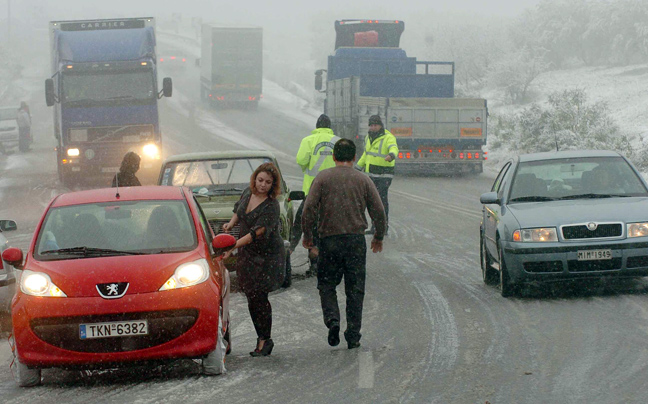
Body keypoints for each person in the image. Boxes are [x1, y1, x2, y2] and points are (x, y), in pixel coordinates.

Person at [302, 138, 386, 350]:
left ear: (333, 157)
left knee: (327, 285)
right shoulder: (363, 180)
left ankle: (333, 320)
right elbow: (378, 210)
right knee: (355, 290)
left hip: (329, 240)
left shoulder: (322, 178)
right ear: (355, 157)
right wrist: (379, 236)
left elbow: (309, 209)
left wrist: (308, 236)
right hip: (355, 240)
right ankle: (353, 335)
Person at [223, 162, 285, 356]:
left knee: (260, 297)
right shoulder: (247, 193)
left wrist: (232, 246)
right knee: (251, 296)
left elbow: (255, 233)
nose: (262, 185)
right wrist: (230, 224)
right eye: (260, 180)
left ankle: (265, 339)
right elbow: (238, 210)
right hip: (247, 255)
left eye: (267, 182)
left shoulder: (271, 206)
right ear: (254, 179)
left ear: (273, 185)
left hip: (266, 256)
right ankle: (261, 337)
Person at [290, 114, 340, 274]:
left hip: (312, 193)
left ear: (317, 126)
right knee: (330, 228)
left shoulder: (308, 141)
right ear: (330, 126)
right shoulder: (337, 141)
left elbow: (301, 160)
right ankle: (331, 262)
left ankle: (302, 257)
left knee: (303, 224)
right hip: (333, 193)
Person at [356, 115, 398, 235]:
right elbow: (366, 154)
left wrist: (391, 155)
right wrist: (357, 168)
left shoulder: (388, 137)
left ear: (380, 126)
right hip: (372, 175)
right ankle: (375, 227)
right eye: (371, 125)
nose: (373, 127)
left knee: (381, 201)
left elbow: (394, 148)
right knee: (373, 203)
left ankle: (382, 228)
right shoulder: (368, 137)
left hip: (384, 175)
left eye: (376, 125)